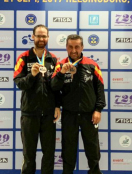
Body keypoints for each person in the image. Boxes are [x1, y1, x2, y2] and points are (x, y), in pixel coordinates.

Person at [51, 34, 106, 174]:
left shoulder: (92, 65)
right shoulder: (60, 64)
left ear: (82, 47)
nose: (74, 50)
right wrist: (62, 73)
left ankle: (95, 171)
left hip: (89, 114)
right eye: (70, 47)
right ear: (66, 47)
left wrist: (98, 109)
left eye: (77, 47)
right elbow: (54, 88)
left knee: (92, 149)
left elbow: (100, 89)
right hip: (70, 114)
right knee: (68, 149)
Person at [13, 24, 61, 174]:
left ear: (48, 38)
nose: (41, 39)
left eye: (44, 36)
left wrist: (57, 106)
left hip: (48, 115)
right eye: (38, 36)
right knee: (29, 155)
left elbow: (57, 86)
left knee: (48, 155)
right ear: (32, 37)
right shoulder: (23, 58)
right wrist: (32, 75)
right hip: (29, 114)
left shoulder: (53, 59)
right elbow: (19, 83)